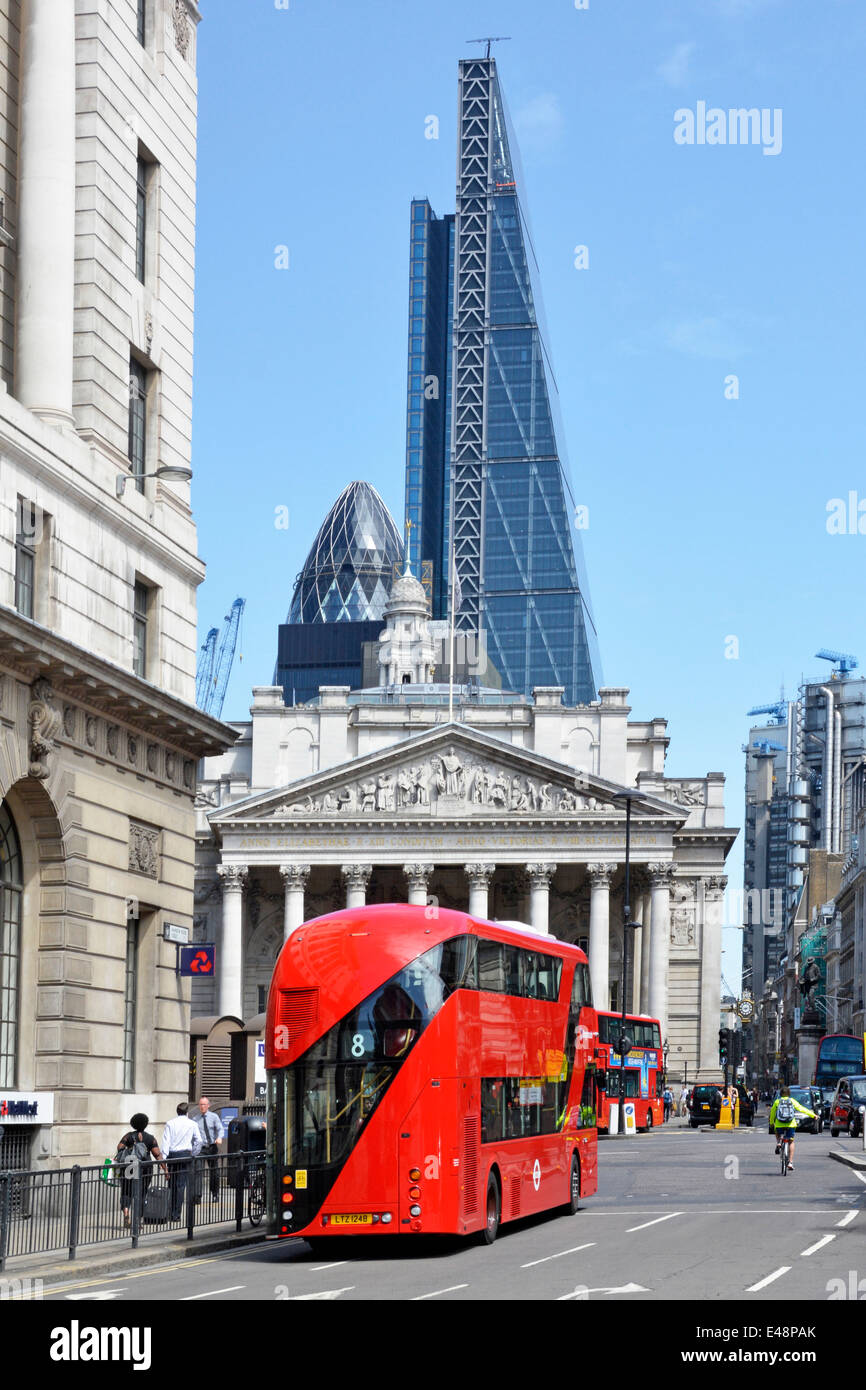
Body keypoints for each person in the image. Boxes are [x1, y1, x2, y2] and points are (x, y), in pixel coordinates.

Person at [115, 1113, 162, 1228]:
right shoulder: (150, 1138)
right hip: (145, 1169)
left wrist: (129, 1149)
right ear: (145, 1124)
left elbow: (119, 1147)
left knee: (126, 1191)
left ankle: (126, 1212)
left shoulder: (129, 1136)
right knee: (141, 1193)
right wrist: (165, 1169)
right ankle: (137, 1220)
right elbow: (157, 1154)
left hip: (130, 1166)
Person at [161, 1102, 202, 1219]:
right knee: (180, 1185)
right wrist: (193, 1153)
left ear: (177, 1112)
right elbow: (199, 1141)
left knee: (171, 1184)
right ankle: (176, 1214)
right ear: (187, 1112)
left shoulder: (170, 1123)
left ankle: (169, 1212)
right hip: (185, 1155)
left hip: (172, 1155)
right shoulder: (192, 1124)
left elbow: (166, 1142)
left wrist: (163, 1159)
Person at [768, 1085, 815, 1172]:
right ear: (789, 1094)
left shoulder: (777, 1102)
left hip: (779, 1124)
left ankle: (778, 1142)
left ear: (781, 1094)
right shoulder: (792, 1101)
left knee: (777, 1131)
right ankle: (790, 1162)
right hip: (791, 1124)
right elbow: (802, 1109)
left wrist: (771, 1123)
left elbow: (772, 1113)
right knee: (791, 1142)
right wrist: (813, 1115)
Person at [191, 1096, 225, 1201]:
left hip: (212, 1147)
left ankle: (215, 1194)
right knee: (198, 1172)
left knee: (214, 1172)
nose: (202, 1106)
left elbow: (220, 1129)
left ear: (208, 1105)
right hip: (201, 1148)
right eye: (200, 1104)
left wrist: (219, 1137)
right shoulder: (195, 1119)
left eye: (204, 1104)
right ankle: (197, 1196)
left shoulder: (213, 1116)